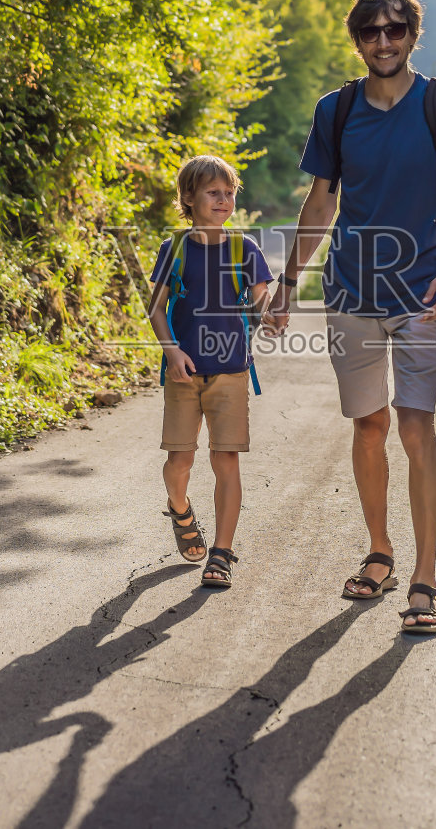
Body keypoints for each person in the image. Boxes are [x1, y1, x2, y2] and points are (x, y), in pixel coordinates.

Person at [264, 0, 436, 634]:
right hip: (351, 294)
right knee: (369, 427)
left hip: (422, 293)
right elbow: (321, 203)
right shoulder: (335, 112)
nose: (382, 42)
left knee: (416, 427)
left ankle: (426, 579)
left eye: (394, 30)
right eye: (370, 33)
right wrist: (288, 283)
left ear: (413, 34)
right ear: (357, 40)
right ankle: (381, 552)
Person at [148, 155, 272, 589]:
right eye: (213, 192)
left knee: (227, 460)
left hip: (232, 372)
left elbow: (263, 305)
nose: (224, 200)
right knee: (178, 461)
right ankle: (180, 509)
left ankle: (221, 553)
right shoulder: (175, 249)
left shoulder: (245, 249)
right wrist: (171, 351)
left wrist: (274, 314)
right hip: (183, 374)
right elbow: (156, 308)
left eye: (229, 192)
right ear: (188, 197)